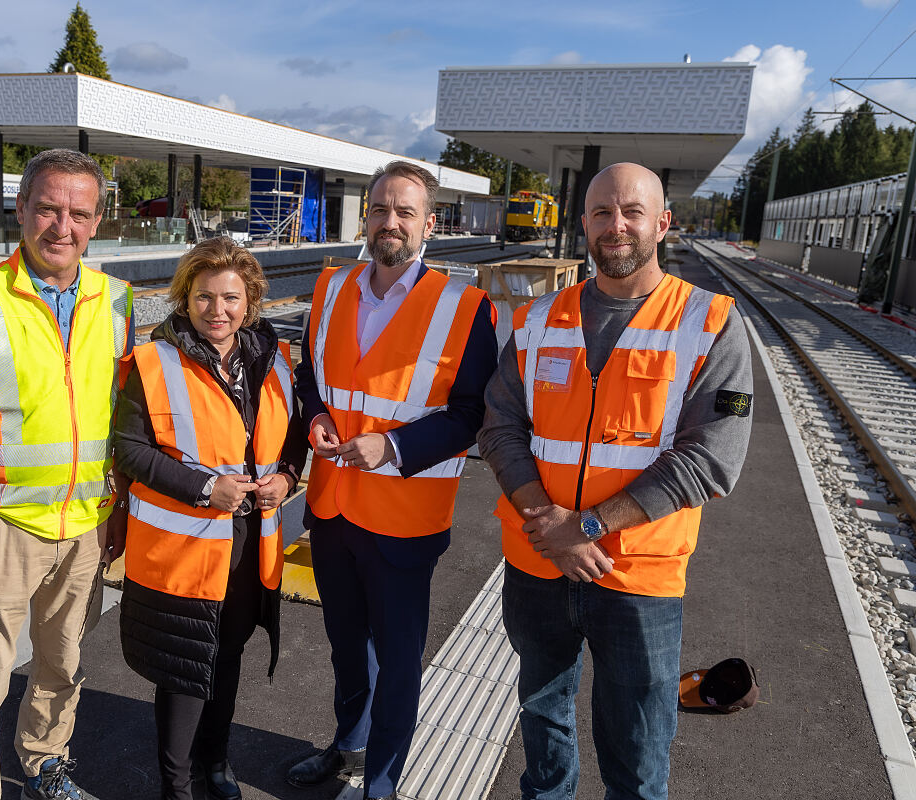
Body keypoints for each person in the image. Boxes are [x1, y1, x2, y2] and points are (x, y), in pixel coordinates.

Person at [477, 162, 753, 800]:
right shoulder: (541, 317)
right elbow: (500, 427)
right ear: (583, 223)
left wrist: (589, 527)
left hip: (638, 578)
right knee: (542, 718)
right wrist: (552, 525)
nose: (616, 225)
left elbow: (712, 458)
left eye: (631, 211)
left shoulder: (709, 321)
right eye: (602, 212)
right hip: (538, 565)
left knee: (636, 744)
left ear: (663, 222)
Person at [0, 148, 134, 800]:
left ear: (97, 221)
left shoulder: (118, 301)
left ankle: (45, 762)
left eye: (77, 212)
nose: (61, 226)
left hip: (85, 531)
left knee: (62, 667)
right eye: (47, 208)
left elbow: (118, 422)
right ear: (20, 209)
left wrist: (117, 511)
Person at [287, 161, 497, 800]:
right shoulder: (332, 287)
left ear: (429, 224)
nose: (390, 222)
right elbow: (309, 376)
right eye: (380, 209)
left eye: (406, 212)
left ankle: (380, 782)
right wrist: (317, 416)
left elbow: (471, 414)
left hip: (406, 518)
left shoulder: (466, 307)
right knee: (346, 647)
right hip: (330, 507)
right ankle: (349, 747)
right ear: (365, 218)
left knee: (399, 663)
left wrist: (395, 445)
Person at [115, 237, 307, 800]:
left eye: (230, 298)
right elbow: (130, 450)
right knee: (184, 669)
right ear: (185, 298)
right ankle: (175, 787)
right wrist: (205, 488)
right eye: (203, 297)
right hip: (184, 550)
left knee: (228, 657)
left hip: (250, 543)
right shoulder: (152, 362)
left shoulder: (274, 361)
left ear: (249, 300)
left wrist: (288, 477)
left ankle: (215, 767)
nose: (217, 311)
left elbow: (292, 437)